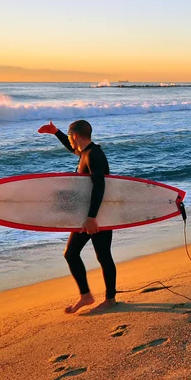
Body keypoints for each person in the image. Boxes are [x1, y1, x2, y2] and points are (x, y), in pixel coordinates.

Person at [38, 118, 116, 313]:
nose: (70, 141)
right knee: (83, 254)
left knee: (92, 255)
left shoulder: (94, 156)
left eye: (69, 136)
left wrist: (91, 217)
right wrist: (56, 132)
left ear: (75, 136)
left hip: (96, 214)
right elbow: (72, 148)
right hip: (92, 213)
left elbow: (100, 186)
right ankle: (92, 296)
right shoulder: (86, 152)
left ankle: (104, 298)